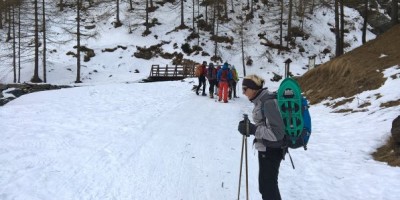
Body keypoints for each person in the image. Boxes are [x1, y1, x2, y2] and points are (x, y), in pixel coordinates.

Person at [237, 74, 285, 200]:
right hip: (266, 149)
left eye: (245, 89)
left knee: (268, 188)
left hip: (272, 150)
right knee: (265, 187)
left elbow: (277, 133)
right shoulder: (260, 101)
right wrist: (250, 127)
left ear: (253, 88)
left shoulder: (268, 102)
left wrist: (252, 129)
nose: (243, 93)